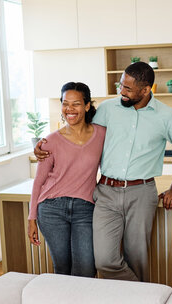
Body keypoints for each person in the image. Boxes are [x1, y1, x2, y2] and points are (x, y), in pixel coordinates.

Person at [35, 62, 172, 282]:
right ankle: (146, 294)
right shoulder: (109, 109)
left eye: (128, 89)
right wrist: (45, 144)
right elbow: (81, 130)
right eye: (121, 85)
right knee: (103, 260)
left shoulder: (167, 116)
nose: (122, 91)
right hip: (106, 192)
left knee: (137, 256)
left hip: (142, 192)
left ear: (146, 90)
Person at [27, 82, 105, 277]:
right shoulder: (50, 141)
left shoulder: (101, 134)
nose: (69, 109)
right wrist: (31, 219)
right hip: (51, 209)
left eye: (76, 104)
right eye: (65, 103)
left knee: (86, 269)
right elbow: (39, 181)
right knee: (62, 269)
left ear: (87, 106)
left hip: (85, 208)